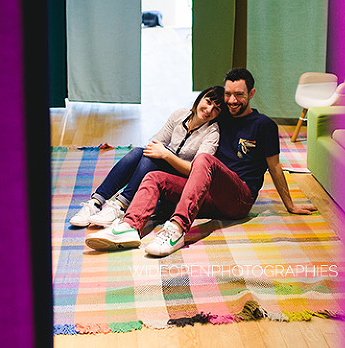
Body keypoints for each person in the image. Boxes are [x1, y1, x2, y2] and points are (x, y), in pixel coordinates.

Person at [85, 68, 316, 256]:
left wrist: (290, 205)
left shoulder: (264, 125)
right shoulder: (220, 117)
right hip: (206, 194)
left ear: (251, 93)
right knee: (154, 177)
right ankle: (129, 227)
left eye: (239, 95)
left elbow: (274, 167)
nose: (232, 100)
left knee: (205, 159)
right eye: (228, 94)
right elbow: (198, 115)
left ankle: (176, 229)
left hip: (239, 198)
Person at [69, 86, 224, 228]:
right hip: (168, 166)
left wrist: (166, 155)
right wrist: (162, 153)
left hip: (186, 181)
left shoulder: (212, 132)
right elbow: (156, 142)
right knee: (138, 152)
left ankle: (120, 206)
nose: (209, 110)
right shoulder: (180, 115)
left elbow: (196, 171)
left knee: (152, 156)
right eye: (208, 102)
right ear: (200, 98)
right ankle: (95, 203)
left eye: (216, 109)